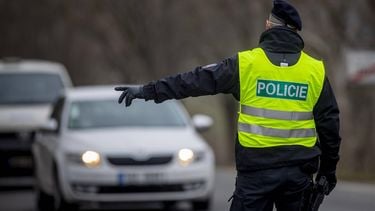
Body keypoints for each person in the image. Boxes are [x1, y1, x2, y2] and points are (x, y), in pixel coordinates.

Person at [115, 0, 341, 210]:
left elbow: (194, 81)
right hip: (298, 177)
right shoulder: (315, 70)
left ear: (268, 25)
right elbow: (330, 125)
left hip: (255, 177)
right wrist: (327, 172)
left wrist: (149, 90)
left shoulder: (245, 64)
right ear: (295, 31)